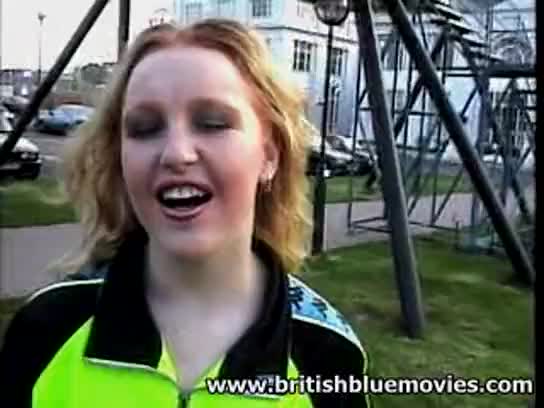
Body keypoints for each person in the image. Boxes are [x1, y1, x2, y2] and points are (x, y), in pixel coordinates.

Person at [0, 19, 371, 407]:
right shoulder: (47, 328)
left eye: (212, 123)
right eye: (145, 128)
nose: (176, 153)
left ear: (269, 155)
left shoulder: (328, 353)